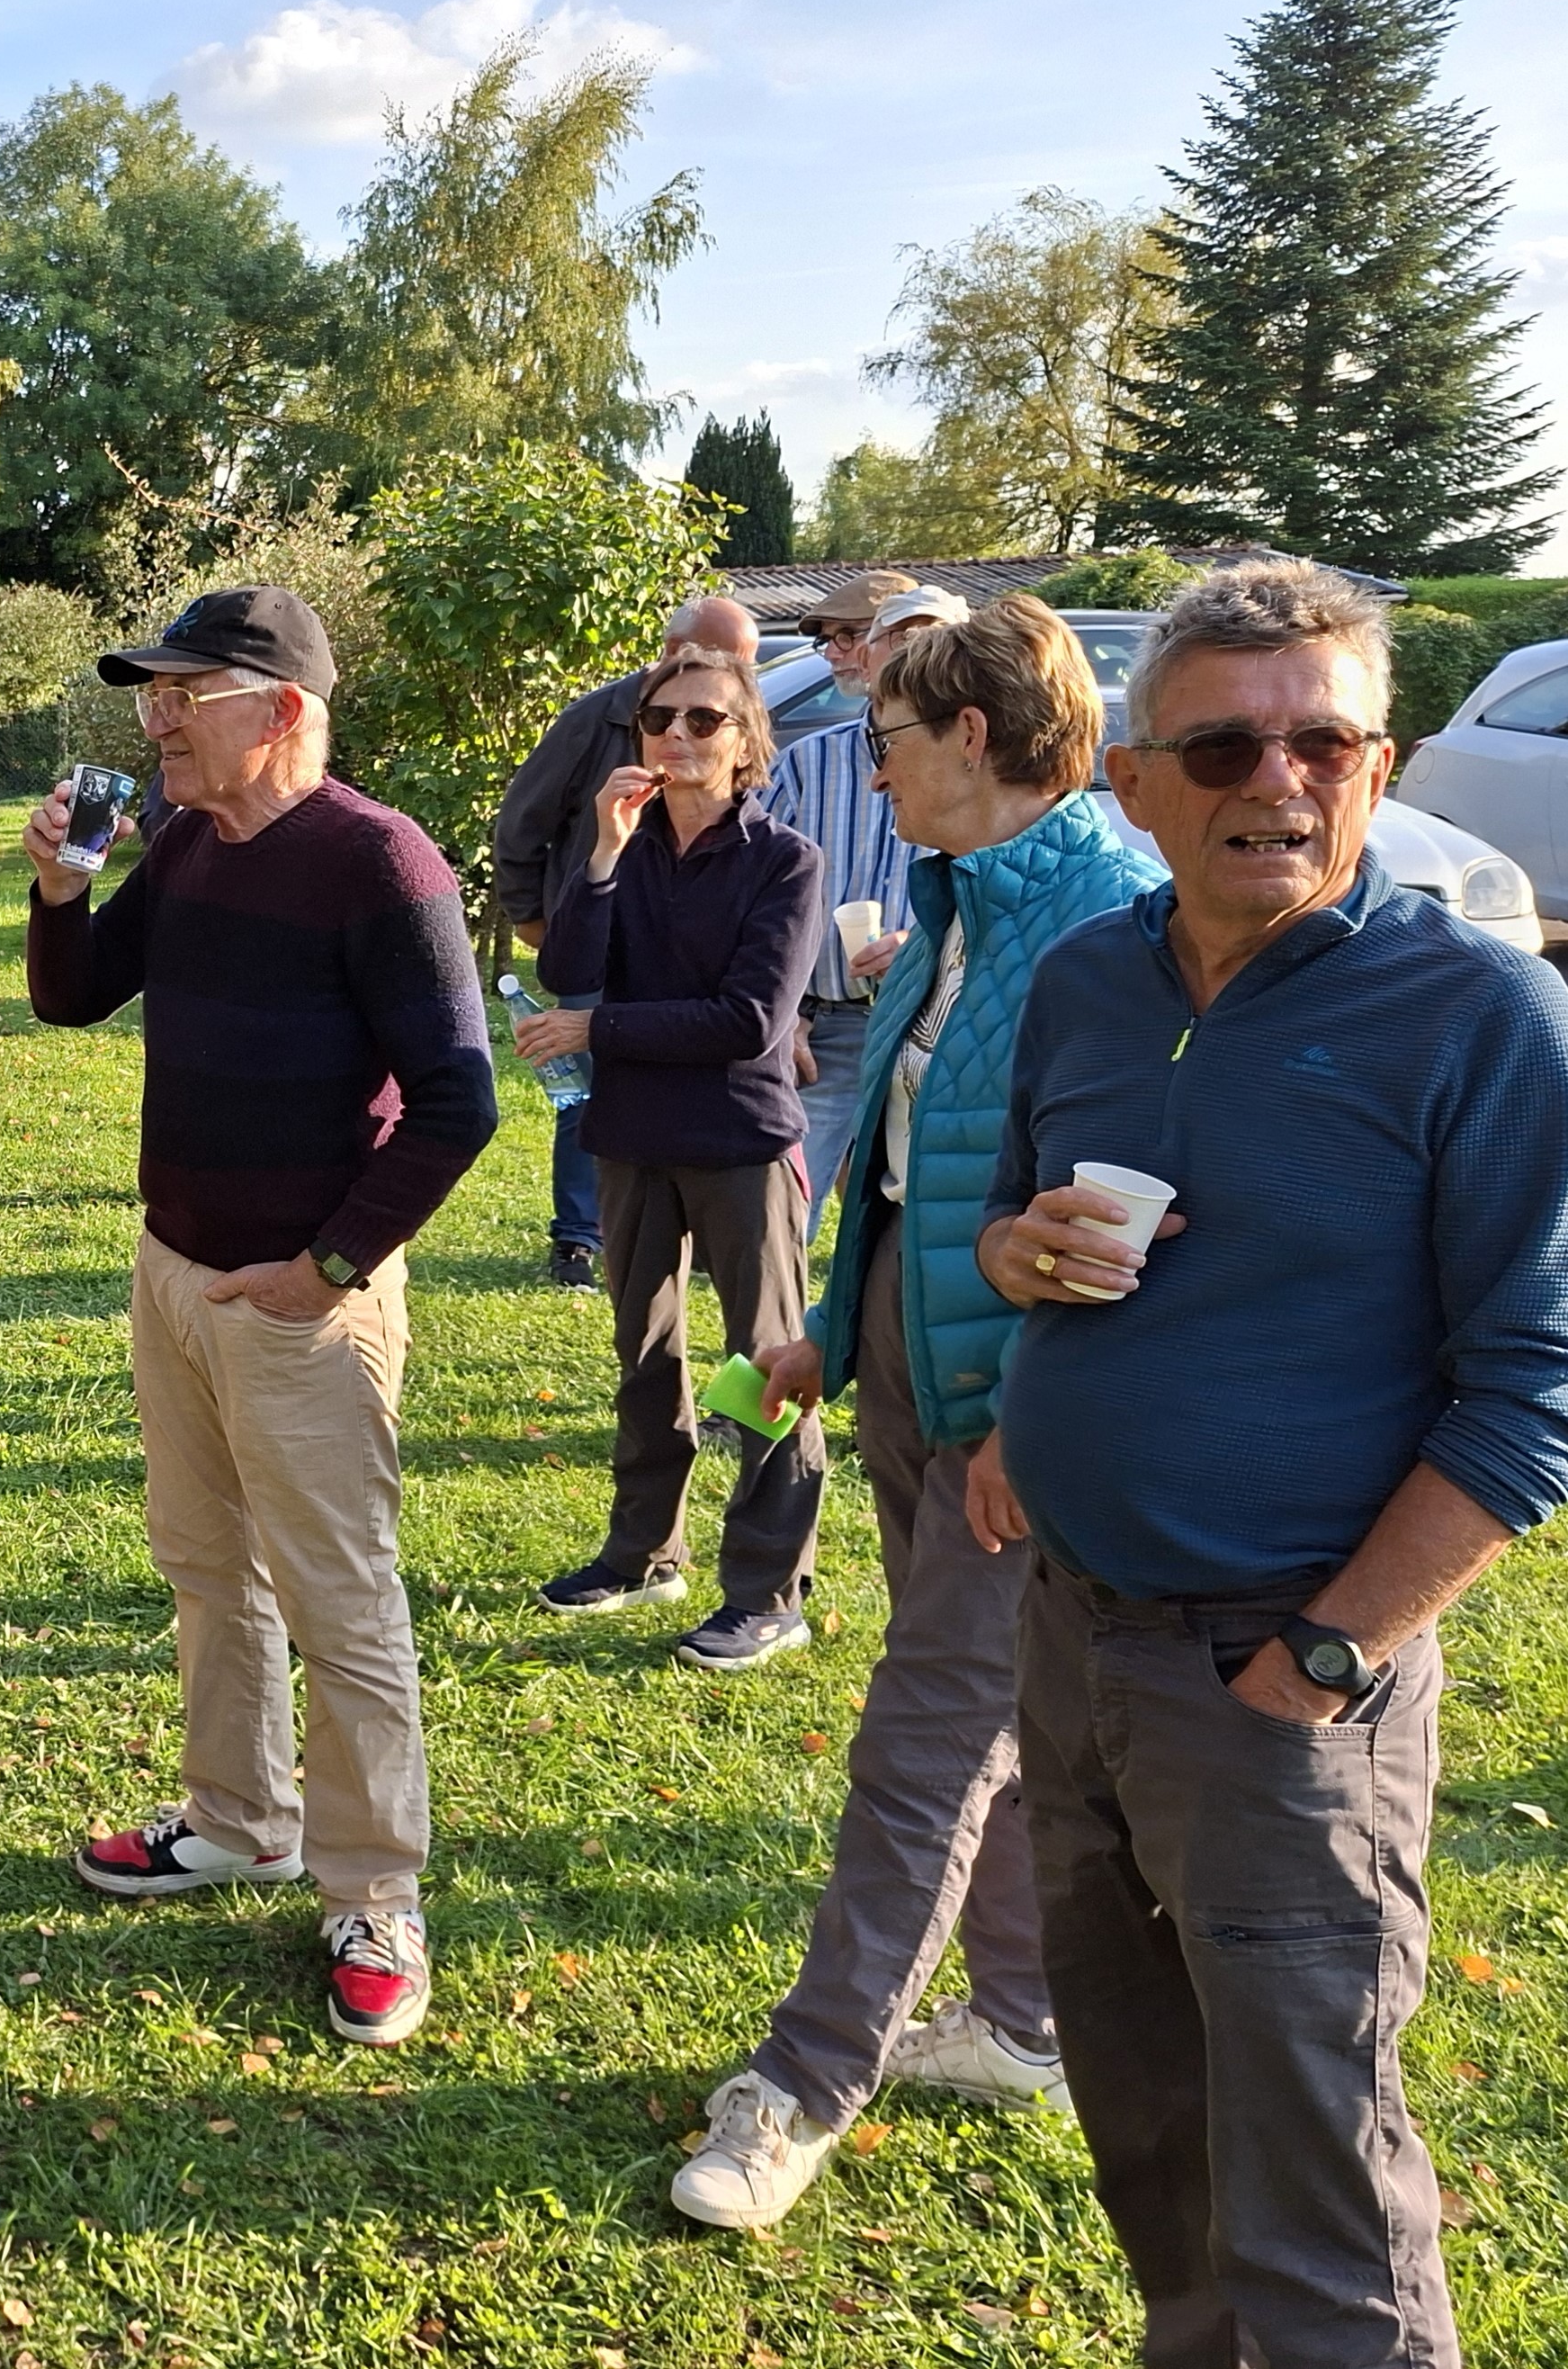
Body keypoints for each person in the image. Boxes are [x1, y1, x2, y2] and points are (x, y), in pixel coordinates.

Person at [974, 560, 1568, 2368]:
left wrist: (1318, 1659)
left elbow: (1530, 1392)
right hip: (1077, 1642)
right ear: (1136, 783)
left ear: (1378, 770)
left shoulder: (1475, 1018)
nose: (1275, 780)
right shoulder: (1084, 978)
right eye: (1223, 743)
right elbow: (1013, 1222)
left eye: (1320, 739)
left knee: (1311, 2183)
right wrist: (1013, 1283)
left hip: (1281, 1670)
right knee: (1146, 2121)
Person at [670, 595, 1160, 2230]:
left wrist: (1036, 1415)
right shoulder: (958, 900)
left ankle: (805, 2080)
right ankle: (1022, 2018)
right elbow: (900, 1143)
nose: (866, 772)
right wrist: (827, 1325)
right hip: (907, 1349)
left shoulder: (1115, 922)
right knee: (990, 1721)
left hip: (1020, 1397)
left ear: (972, 734)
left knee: (925, 1733)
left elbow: (1121, 1217)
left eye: (884, 739)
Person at [25, 585, 496, 2049]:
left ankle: (376, 1893)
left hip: (306, 1303)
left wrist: (336, 1264)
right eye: (151, 692)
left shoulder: (379, 862)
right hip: (174, 1271)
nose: (153, 718)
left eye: (184, 692)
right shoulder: (186, 846)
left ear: (284, 708)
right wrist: (57, 890)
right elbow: (74, 997)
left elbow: (459, 1099)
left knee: (340, 1599)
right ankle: (238, 1819)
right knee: (206, 1567)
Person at [518, 646, 828, 1672]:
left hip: (739, 1139)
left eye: (704, 720)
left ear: (746, 746)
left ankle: (768, 1587)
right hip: (634, 1140)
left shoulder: (783, 859)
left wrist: (596, 1030)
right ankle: (644, 1549)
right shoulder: (625, 848)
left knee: (763, 1365)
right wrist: (600, 855)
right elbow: (565, 970)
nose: (677, 737)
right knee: (644, 1356)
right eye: (660, 719)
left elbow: (747, 1021)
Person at [495, 595, 763, 1291]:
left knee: (669, 1067)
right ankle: (580, 1237)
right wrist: (535, 917)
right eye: (723, 660)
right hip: (591, 929)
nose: (730, 681)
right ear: (675, 654)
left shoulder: (739, 748)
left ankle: (685, 1223)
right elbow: (522, 823)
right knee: (583, 1085)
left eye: (744, 668)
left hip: (681, 950)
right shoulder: (597, 718)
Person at [753, 572, 952, 1215]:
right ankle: (782, 1318)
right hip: (828, 1023)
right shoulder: (809, 761)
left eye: (848, 635)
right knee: (783, 1208)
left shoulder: (981, 768)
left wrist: (926, 943)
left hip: (935, 1020)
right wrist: (788, 1010)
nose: (837, 651)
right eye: (828, 639)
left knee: (911, 1215)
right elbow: (749, 892)